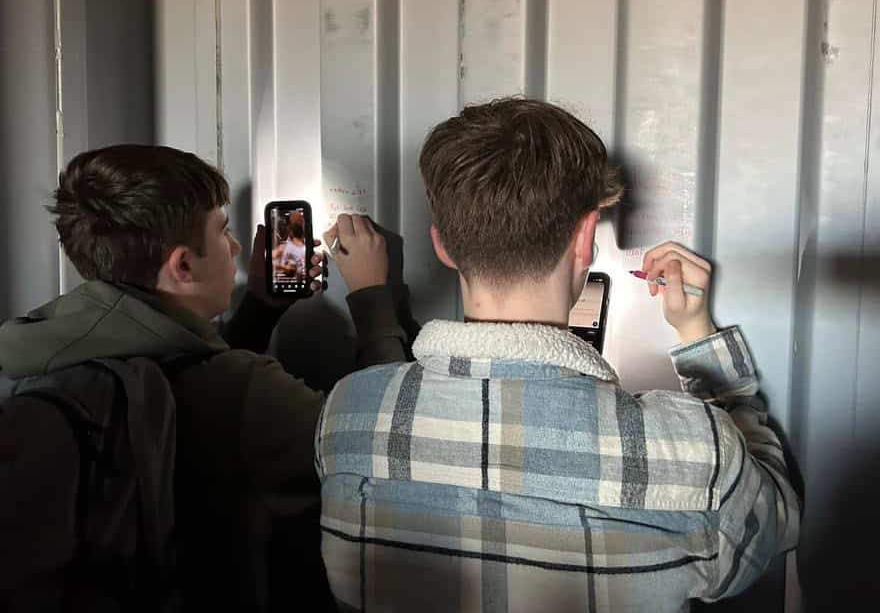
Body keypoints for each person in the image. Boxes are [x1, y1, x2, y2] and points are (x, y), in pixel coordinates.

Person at [315, 98, 802, 611]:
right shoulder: (691, 452)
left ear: (444, 246)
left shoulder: (346, 416)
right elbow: (777, 523)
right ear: (585, 238)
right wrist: (704, 349)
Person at [0, 145, 414, 611]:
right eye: (223, 231)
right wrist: (373, 299)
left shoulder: (43, 357)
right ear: (183, 265)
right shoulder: (243, 390)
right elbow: (384, 451)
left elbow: (195, 373)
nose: (237, 247)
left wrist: (259, 309)